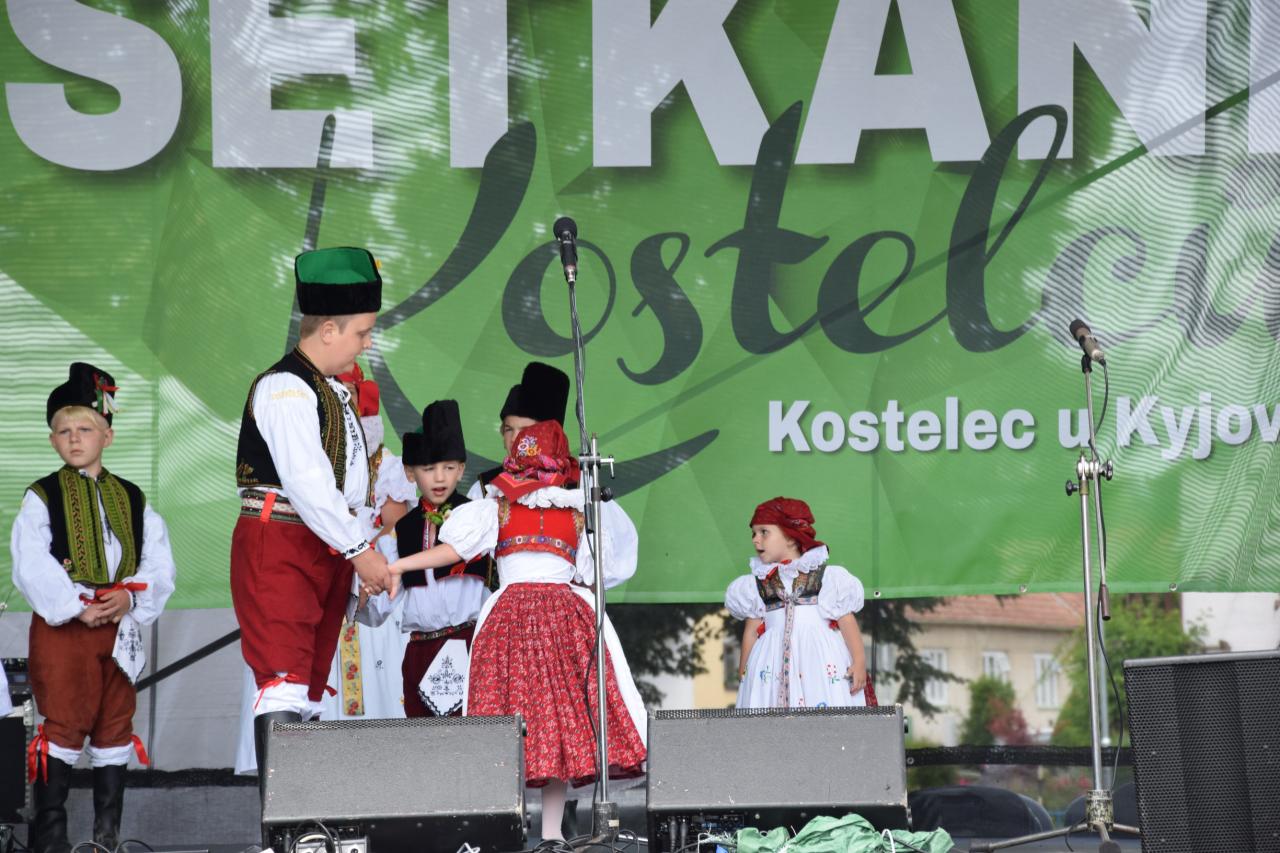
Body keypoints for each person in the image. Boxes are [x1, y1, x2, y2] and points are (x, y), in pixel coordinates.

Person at [389, 420, 645, 842]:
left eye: (534, 469)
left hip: (559, 623)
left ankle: (552, 834)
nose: (529, 479)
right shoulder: (498, 510)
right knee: (507, 723)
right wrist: (400, 565)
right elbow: (453, 550)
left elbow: (595, 573)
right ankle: (507, 828)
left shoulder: (577, 515)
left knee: (556, 727)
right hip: (514, 624)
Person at [230, 246, 393, 797]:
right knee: (284, 680)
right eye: (361, 333)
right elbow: (307, 482)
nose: (366, 344)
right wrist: (359, 551)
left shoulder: (332, 391)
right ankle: (283, 828)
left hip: (322, 545)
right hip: (280, 541)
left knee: (309, 684)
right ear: (328, 329)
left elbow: (350, 490)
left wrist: (357, 551)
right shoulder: (284, 387)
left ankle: (306, 821)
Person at [12, 363, 176, 853]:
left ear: (108, 435)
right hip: (65, 628)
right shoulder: (42, 496)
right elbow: (29, 561)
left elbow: (158, 560)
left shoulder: (133, 498)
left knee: (114, 723)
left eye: (85, 429)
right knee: (63, 723)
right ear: (52, 441)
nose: (74, 439)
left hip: (118, 625)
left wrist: (131, 597)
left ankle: (107, 837)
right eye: (64, 432)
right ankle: (50, 841)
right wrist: (74, 605)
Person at [360, 399, 492, 717]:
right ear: (410, 473)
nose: (439, 478)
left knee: (473, 734)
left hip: (469, 644)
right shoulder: (403, 530)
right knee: (422, 737)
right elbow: (383, 603)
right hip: (420, 650)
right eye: (429, 469)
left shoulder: (477, 515)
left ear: (461, 469)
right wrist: (364, 595)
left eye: (449, 467)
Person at [319, 363, 416, 721]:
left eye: (348, 394)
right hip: (325, 574)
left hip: (370, 577)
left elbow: (394, 525)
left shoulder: (385, 464)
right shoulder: (314, 460)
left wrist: (360, 562)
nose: (342, 403)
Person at [725, 497, 870, 709]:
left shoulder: (826, 577)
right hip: (771, 663)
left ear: (791, 539)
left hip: (817, 659)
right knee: (768, 707)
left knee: (821, 701)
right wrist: (744, 670)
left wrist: (859, 661)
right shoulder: (757, 583)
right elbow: (752, 630)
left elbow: (846, 620)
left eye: (764, 532)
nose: (756, 540)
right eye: (754, 534)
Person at [466, 361, 569, 500]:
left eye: (525, 431)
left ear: (548, 438)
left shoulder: (582, 486)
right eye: (509, 429)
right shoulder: (484, 488)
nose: (514, 438)